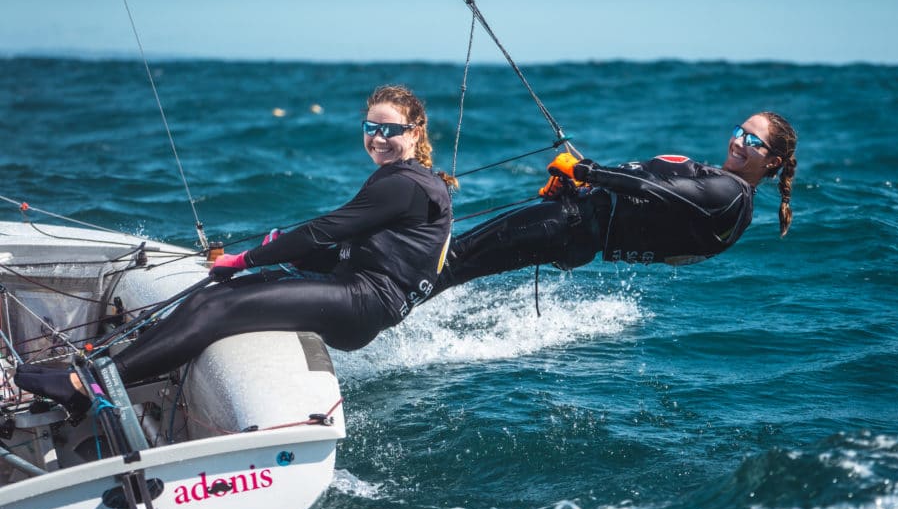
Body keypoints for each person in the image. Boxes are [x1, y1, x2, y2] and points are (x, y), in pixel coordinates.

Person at [16, 85, 456, 413]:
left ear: (415, 133)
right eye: (371, 127)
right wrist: (291, 255)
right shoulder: (402, 179)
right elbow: (361, 247)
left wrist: (247, 258)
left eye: (390, 130)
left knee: (217, 312)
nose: (378, 138)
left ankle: (85, 388)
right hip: (353, 291)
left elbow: (325, 230)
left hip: (364, 303)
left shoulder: (403, 183)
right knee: (210, 297)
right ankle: (91, 377)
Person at [433, 111, 796, 294]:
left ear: (773, 162)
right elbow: (646, 216)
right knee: (456, 264)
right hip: (574, 227)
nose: (738, 142)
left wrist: (586, 171)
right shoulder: (728, 195)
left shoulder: (728, 196)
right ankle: (392, 297)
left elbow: (653, 190)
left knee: (452, 260)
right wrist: (575, 187)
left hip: (568, 226)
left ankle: (385, 297)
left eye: (752, 141)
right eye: (739, 132)